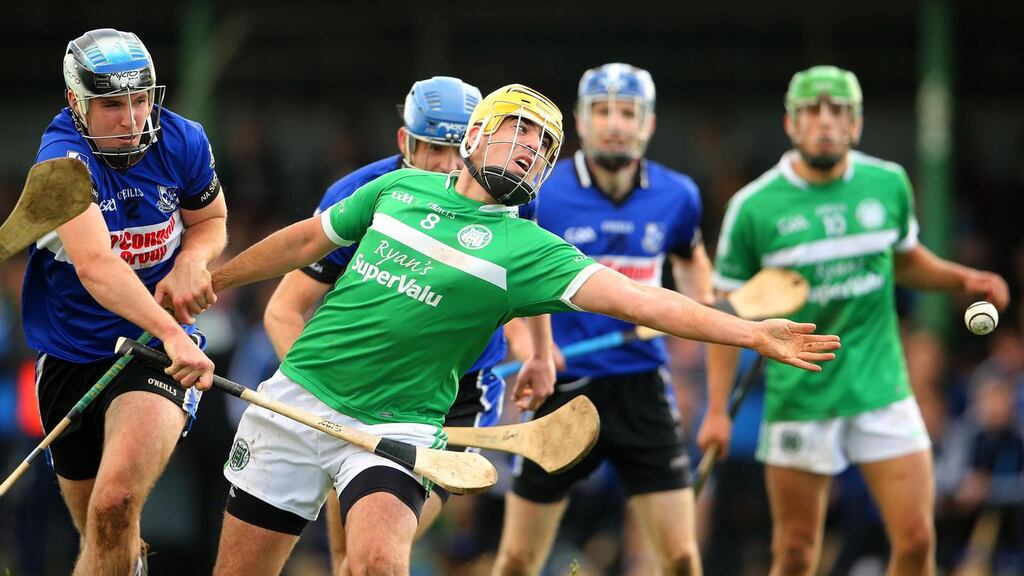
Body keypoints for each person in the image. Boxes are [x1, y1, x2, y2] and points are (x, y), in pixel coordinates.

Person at [207, 83, 839, 576]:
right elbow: (304, 241)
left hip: (399, 426)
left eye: (543, 145)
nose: (530, 148)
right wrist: (213, 283)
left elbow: (644, 302)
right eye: (518, 131)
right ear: (474, 138)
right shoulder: (397, 189)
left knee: (376, 562)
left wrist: (750, 333)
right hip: (297, 401)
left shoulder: (530, 248)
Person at [697, 65, 1010, 576]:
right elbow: (723, 314)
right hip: (801, 394)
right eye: (811, 111)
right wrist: (715, 410)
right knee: (795, 552)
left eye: (837, 111)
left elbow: (904, 259)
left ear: (856, 123)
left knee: (915, 539)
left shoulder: (887, 185)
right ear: (790, 123)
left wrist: (963, 280)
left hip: (880, 386)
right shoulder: (752, 208)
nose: (825, 122)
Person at [260, 76, 556, 573]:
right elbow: (283, 310)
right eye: (431, 149)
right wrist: (319, 396)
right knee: (348, 561)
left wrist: (539, 351)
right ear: (404, 142)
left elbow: (533, 271)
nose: (447, 165)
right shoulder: (361, 193)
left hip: (456, 399)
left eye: (455, 149)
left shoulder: (511, 189)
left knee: (372, 558)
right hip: (365, 396)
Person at [493, 63, 712, 576]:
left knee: (681, 557)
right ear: (580, 121)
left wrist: (705, 300)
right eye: (602, 111)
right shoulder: (541, 192)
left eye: (627, 112)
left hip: (642, 387)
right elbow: (504, 290)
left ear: (649, 123)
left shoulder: (678, 196)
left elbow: (692, 269)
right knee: (519, 559)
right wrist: (532, 350)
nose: (614, 123)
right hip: (562, 388)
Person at [24, 28, 224, 575]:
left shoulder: (183, 140)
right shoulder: (60, 163)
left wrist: (190, 262)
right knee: (102, 531)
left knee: (115, 507)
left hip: (150, 351)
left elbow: (210, 221)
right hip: (70, 354)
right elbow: (97, 266)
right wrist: (171, 328)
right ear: (76, 103)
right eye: (112, 104)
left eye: (140, 99)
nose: (132, 119)